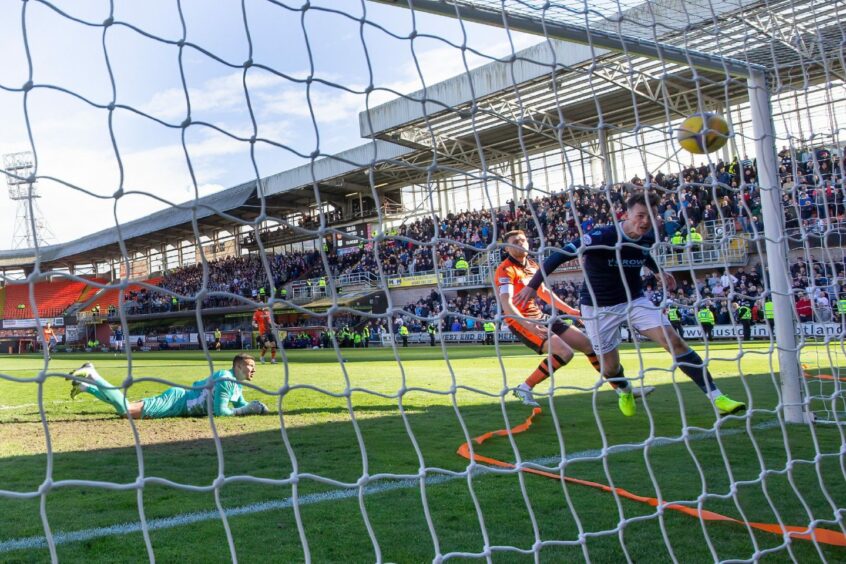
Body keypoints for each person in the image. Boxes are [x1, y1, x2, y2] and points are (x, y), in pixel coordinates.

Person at [514, 191, 746, 417]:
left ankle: (717, 397)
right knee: (609, 368)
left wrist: (657, 271)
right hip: (599, 307)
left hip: (635, 300)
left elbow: (644, 254)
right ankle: (624, 391)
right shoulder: (601, 237)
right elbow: (559, 256)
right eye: (640, 215)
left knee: (674, 341)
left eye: (650, 216)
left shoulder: (648, 238)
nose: (645, 221)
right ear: (627, 214)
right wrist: (532, 286)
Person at [496, 229, 654, 413]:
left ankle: (622, 390)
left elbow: (544, 293)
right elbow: (506, 303)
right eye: (515, 241)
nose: (520, 243)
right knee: (565, 353)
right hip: (520, 321)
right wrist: (528, 325)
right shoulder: (504, 270)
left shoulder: (532, 265)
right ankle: (524, 388)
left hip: (540, 316)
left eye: (522, 240)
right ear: (507, 248)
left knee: (589, 346)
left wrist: (570, 310)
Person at [66, 354, 268, 418]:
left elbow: (241, 403)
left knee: (125, 410)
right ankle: (93, 374)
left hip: (180, 400)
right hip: (179, 403)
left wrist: (257, 407)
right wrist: (247, 410)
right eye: (251, 366)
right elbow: (221, 412)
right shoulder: (226, 380)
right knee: (126, 410)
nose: (254, 370)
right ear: (239, 366)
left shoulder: (236, 384)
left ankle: (87, 387)